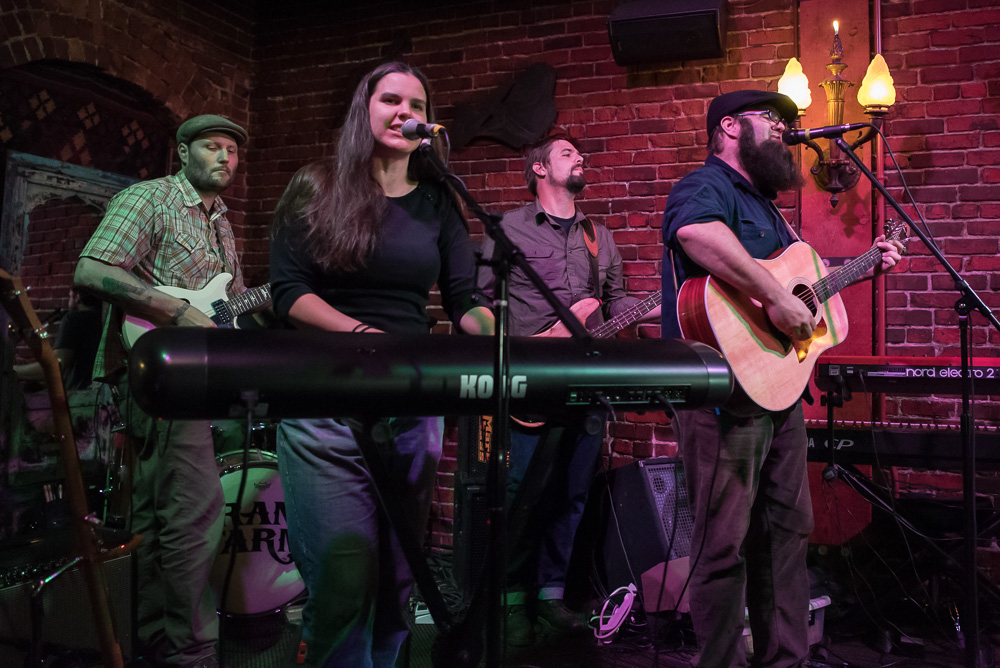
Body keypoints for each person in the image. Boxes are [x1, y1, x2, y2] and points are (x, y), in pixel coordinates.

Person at [660, 90, 904, 667]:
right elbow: (696, 234)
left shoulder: (768, 209)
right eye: (770, 118)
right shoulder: (706, 186)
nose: (783, 127)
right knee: (723, 544)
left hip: (777, 390)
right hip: (722, 393)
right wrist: (774, 295)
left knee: (788, 534)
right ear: (728, 127)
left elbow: (804, 288)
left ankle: (787, 660)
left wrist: (863, 267)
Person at [268, 61, 493, 668]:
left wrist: (500, 340)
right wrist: (365, 336)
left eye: (417, 104)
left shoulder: (439, 201)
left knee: (398, 577)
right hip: (326, 402)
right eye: (391, 99)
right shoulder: (316, 185)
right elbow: (288, 292)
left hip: (410, 404)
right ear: (363, 110)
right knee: (343, 580)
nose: (405, 113)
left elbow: (464, 299)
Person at [75, 113, 252, 668]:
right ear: (182, 151)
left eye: (232, 150)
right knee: (195, 510)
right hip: (159, 372)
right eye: (213, 146)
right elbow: (91, 269)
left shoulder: (221, 222)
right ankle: (191, 651)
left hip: (197, 377)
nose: (225, 157)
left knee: (158, 513)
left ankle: (155, 642)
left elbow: (227, 303)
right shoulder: (150, 199)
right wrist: (176, 311)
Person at [478, 134, 660, 646]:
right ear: (539, 168)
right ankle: (508, 598)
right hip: (528, 378)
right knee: (517, 491)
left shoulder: (599, 236)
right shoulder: (509, 228)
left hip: (585, 381)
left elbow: (615, 299)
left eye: (580, 154)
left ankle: (550, 595)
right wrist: (519, 350)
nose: (580, 158)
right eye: (566, 153)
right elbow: (482, 302)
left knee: (572, 493)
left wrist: (659, 305)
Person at [13, 284, 102, 391]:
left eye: (70, 296)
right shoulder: (103, 319)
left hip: (79, 396)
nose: (68, 302)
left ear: (77, 297)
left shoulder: (73, 319)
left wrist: (13, 370)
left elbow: (55, 367)